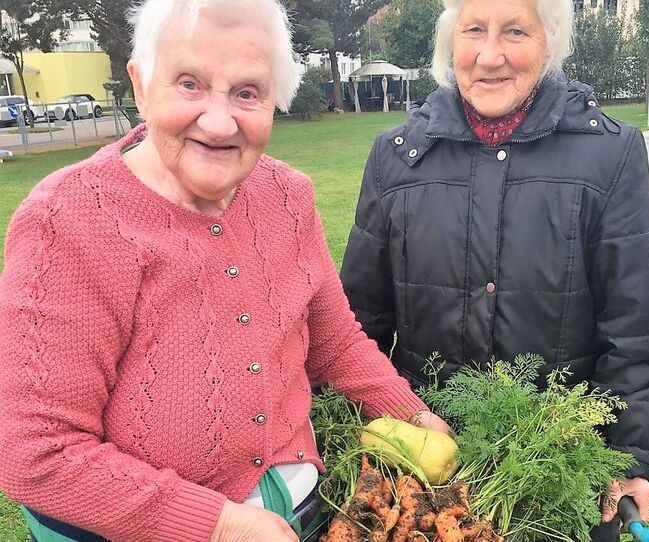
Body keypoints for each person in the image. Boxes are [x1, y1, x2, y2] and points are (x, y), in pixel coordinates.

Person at [0, 1, 451, 541]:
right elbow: (34, 451)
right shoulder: (70, 218)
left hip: (302, 515)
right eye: (189, 83)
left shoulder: (288, 195)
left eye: (246, 93)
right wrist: (216, 526)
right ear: (141, 85)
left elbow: (335, 341)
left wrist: (413, 416)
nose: (218, 122)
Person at [340, 0, 649, 540]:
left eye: (515, 31)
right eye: (474, 30)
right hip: (420, 473)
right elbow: (357, 321)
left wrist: (630, 457)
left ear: (550, 44)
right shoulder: (395, 157)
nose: (489, 55)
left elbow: (632, 326)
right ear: (452, 42)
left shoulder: (610, 154)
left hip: (553, 465)